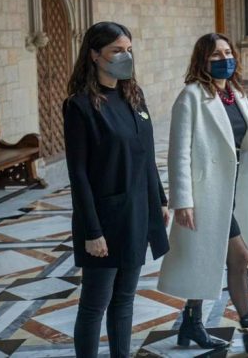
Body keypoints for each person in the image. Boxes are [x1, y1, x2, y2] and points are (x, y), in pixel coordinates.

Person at [157, 33, 248, 355]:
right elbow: (179, 152)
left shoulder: (234, 94)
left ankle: (192, 321)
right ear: (202, 62)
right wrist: (182, 200)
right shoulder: (191, 97)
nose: (225, 60)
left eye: (227, 53)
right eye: (215, 56)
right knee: (238, 256)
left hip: (235, 186)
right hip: (208, 190)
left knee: (207, 256)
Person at [63, 21, 170, 358]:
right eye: (116, 51)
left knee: (124, 301)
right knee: (95, 304)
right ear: (95, 55)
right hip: (104, 220)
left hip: (137, 213)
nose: (126, 56)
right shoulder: (80, 106)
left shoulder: (134, 96)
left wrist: (160, 201)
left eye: (128, 49)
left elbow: (147, 155)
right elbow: (78, 174)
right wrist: (92, 231)